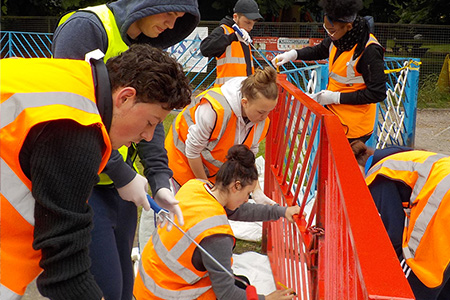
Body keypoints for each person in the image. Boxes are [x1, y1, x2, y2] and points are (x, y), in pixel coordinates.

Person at [0, 44, 191, 300]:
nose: (145, 137)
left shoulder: (76, 80)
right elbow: (65, 267)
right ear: (125, 97)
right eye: (150, 122)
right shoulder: (76, 127)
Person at [52, 1, 200, 299]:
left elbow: (153, 116)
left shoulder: (148, 40)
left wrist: (159, 179)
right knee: (101, 288)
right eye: (169, 14)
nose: (171, 25)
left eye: (179, 19)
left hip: (119, 190)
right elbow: (73, 114)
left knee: (122, 289)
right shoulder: (86, 29)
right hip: (83, 185)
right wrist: (122, 173)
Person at [133, 144, 299, 299]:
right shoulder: (216, 236)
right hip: (163, 294)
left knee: (241, 283)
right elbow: (226, 294)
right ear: (236, 186)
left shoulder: (196, 186)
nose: (247, 200)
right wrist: (267, 298)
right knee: (243, 289)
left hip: (148, 282)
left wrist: (282, 212)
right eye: (248, 194)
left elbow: (240, 211)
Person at [272, 0, 386, 143]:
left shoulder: (369, 51)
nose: (329, 34)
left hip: (355, 129)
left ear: (348, 26)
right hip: (335, 119)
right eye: (326, 29)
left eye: (332, 30)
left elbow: (377, 93)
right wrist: (293, 54)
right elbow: (319, 50)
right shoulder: (339, 39)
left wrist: (335, 98)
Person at [351, 140, 450, 300]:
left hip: (443, 199)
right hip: (444, 189)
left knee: (413, 277)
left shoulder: (378, 175)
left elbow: (392, 236)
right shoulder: (394, 156)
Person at [200, 0, 263, 87]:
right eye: (247, 22)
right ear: (235, 17)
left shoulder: (244, 35)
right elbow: (205, 48)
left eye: (253, 23)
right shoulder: (224, 31)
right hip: (225, 93)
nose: (250, 27)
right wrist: (232, 37)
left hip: (243, 92)